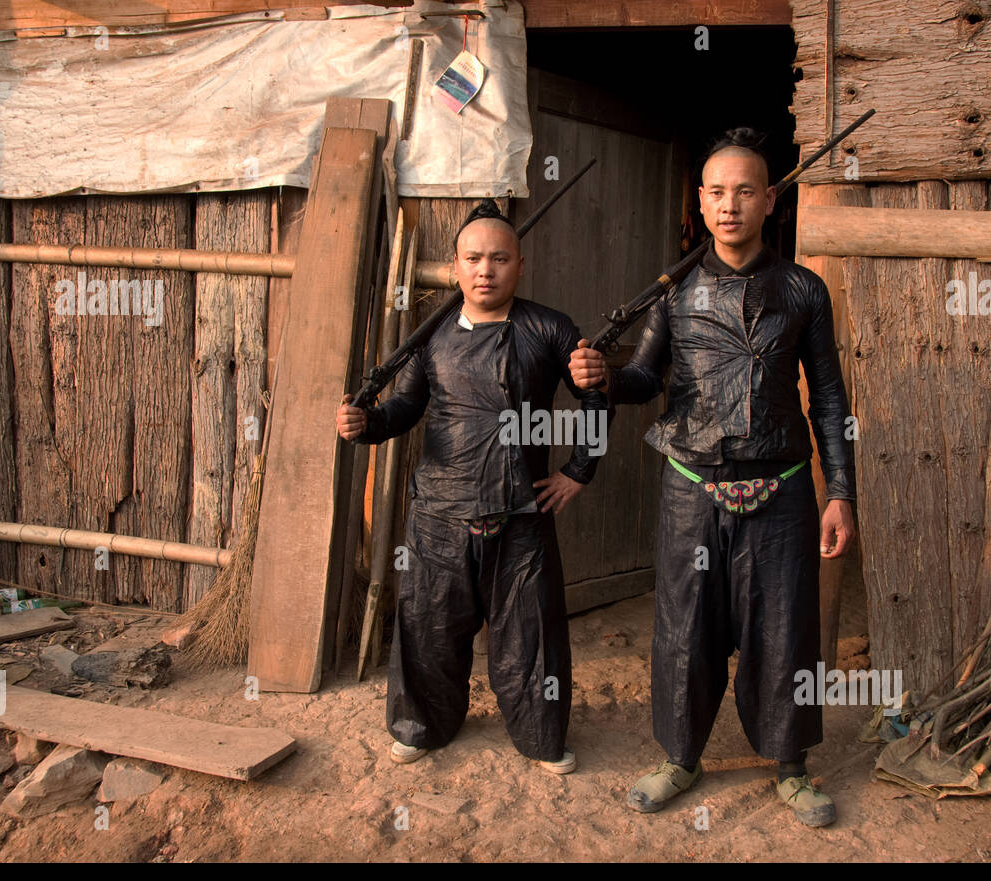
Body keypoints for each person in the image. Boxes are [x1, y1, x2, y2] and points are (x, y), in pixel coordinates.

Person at [568, 128, 857, 825]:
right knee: (684, 626)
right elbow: (645, 377)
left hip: (782, 485)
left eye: (745, 191)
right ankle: (679, 756)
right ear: (700, 201)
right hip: (691, 486)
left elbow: (827, 396)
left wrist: (840, 491)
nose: (730, 205)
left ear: (770, 199)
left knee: (784, 627)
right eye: (717, 192)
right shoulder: (674, 291)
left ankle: (791, 764)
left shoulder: (802, 291)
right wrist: (602, 379)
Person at [337, 200, 608, 775]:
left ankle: (541, 735)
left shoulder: (550, 328)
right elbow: (406, 407)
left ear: (521, 265)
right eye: (474, 259)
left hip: (522, 513)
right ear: (455, 266)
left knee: (530, 634)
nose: (487, 270)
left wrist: (578, 471)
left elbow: (595, 396)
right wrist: (367, 425)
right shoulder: (429, 334)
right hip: (439, 513)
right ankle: (422, 726)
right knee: (428, 628)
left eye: (500, 258)